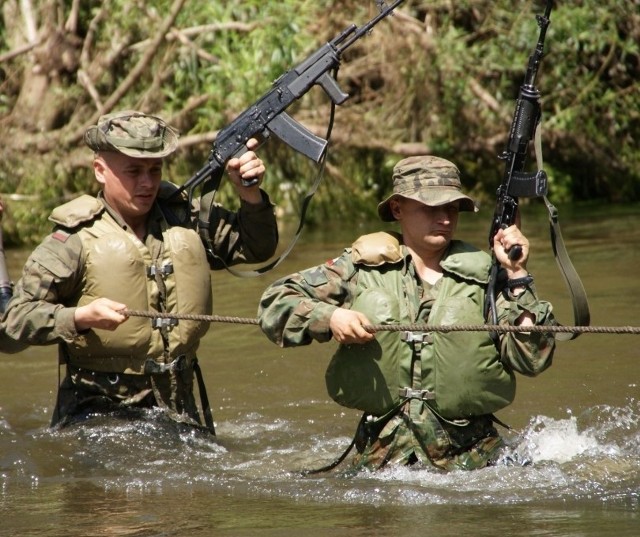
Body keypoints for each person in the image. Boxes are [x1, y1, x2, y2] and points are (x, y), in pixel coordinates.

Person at [258, 155, 556, 471]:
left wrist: (517, 274)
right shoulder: (358, 269)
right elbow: (275, 303)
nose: (444, 218)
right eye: (431, 208)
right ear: (397, 208)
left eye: (451, 208)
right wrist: (330, 317)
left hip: (476, 466)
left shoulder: (488, 277)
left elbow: (532, 359)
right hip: (381, 464)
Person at [1, 110, 278, 433]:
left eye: (155, 170)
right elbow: (11, 324)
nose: (147, 183)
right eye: (133, 171)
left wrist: (249, 193)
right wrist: (78, 317)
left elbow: (257, 248)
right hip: (98, 417)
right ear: (100, 171)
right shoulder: (72, 240)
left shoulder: (182, 218)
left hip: (180, 409)